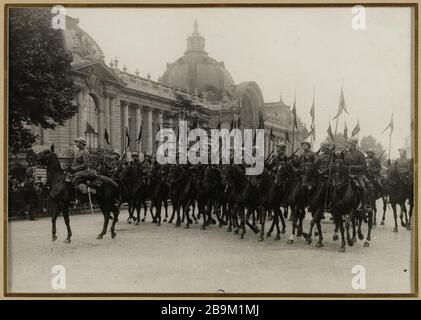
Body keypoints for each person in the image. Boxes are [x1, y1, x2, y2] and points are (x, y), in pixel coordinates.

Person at [342, 137, 372, 212]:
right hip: (346, 175)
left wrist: (352, 167)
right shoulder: (344, 153)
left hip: (357, 175)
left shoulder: (360, 154)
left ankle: (365, 205)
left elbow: (364, 166)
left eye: (349, 143)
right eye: (347, 143)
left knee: (363, 187)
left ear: (353, 145)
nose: (347, 144)